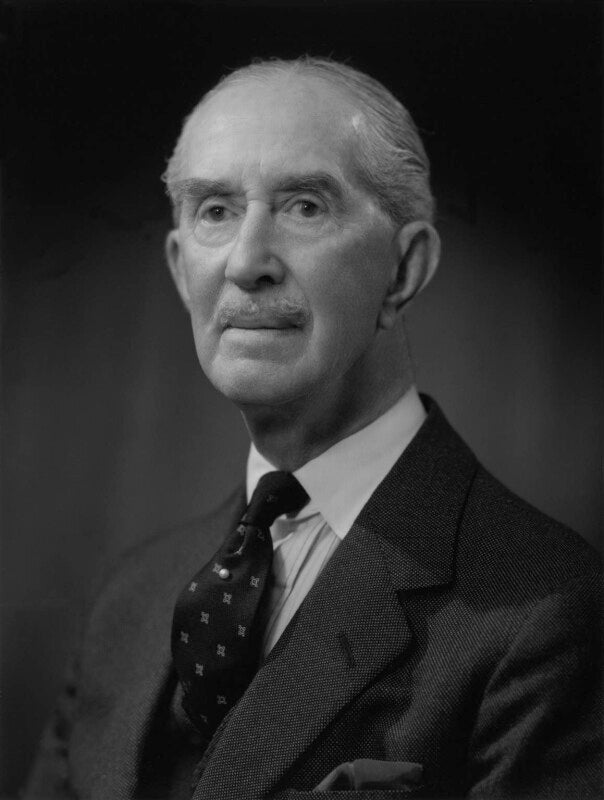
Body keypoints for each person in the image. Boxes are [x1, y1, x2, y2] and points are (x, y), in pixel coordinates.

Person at [25, 56, 600, 800]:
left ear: (404, 270)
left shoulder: (546, 611)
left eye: (304, 207)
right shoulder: (130, 597)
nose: (247, 262)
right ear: (180, 271)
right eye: (215, 211)